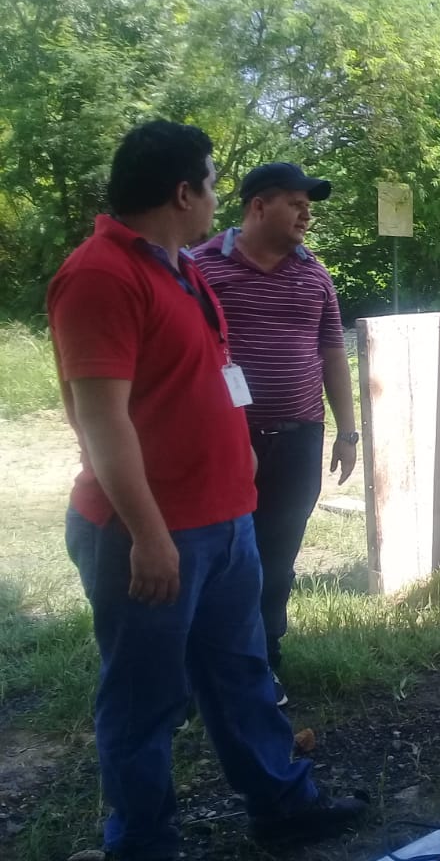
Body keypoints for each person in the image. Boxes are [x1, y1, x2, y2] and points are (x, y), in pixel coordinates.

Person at [47, 120, 366, 861]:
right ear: (183, 192)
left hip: (225, 519)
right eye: (214, 185)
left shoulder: (179, 271)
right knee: (145, 697)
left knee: (241, 673)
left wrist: (236, 455)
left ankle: (283, 806)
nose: (219, 199)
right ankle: (142, 843)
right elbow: (100, 420)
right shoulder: (100, 275)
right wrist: (148, 534)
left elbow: (217, 372)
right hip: (153, 531)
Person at [192, 161, 357, 705]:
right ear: (258, 206)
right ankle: (203, 669)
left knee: (277, 557)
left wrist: (348, 432)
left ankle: (264, 661)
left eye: (309, 207)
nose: (306, 215)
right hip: (224, 440)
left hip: (299, 438)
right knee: (218, 556)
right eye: (295, 204)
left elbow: (333, 354)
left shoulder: (315, 276)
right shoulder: (201, 268)